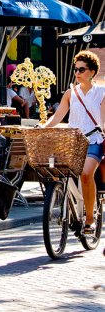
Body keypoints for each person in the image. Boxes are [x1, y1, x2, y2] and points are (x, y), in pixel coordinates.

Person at [42, 50, 104, 235]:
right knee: (57, 171)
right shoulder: (71, 93)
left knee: (86, 173)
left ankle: (90, 218)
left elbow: (103, 118)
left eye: (81, 69)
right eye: (75, 69)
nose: (77, 73)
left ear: (92, 72)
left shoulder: (101, 92)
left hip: (94, 139)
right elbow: (58, 116)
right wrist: (43, 127)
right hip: (72, 141)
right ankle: (70, 206)